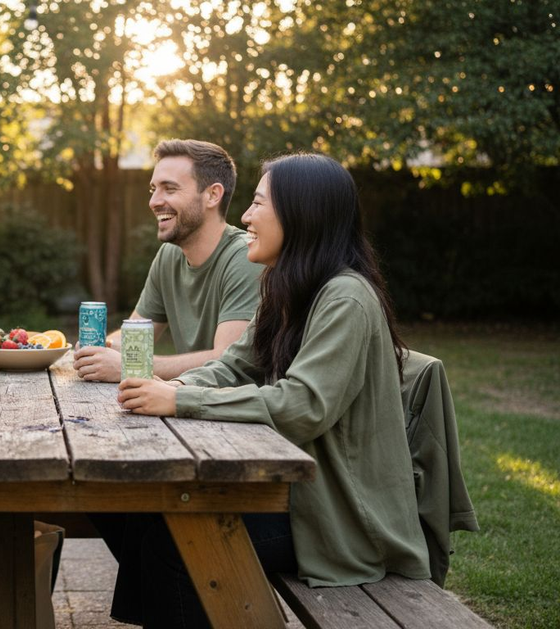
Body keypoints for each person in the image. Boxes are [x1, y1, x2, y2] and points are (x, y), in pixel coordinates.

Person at [114, 153, 431, 626]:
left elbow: (303, 405)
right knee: (137, 513)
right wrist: (172, 384)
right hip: (302, 491)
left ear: (300, 214)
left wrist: (181, 399)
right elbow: (235, 365)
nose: (245, 216)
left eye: (259, 203)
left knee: (176, 545)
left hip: (341, 517)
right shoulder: (288, 289)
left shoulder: (345, 297)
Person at [73, 139, 262, 382]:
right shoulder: (170, 255)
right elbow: (134, 335)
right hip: (182, 405)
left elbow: (227, 361)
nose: (154, 202)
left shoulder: (246, 258)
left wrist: (129, 366)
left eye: (169, 189)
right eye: (154, 190)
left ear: (212, 195)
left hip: (234, 414)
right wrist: (101, 348)